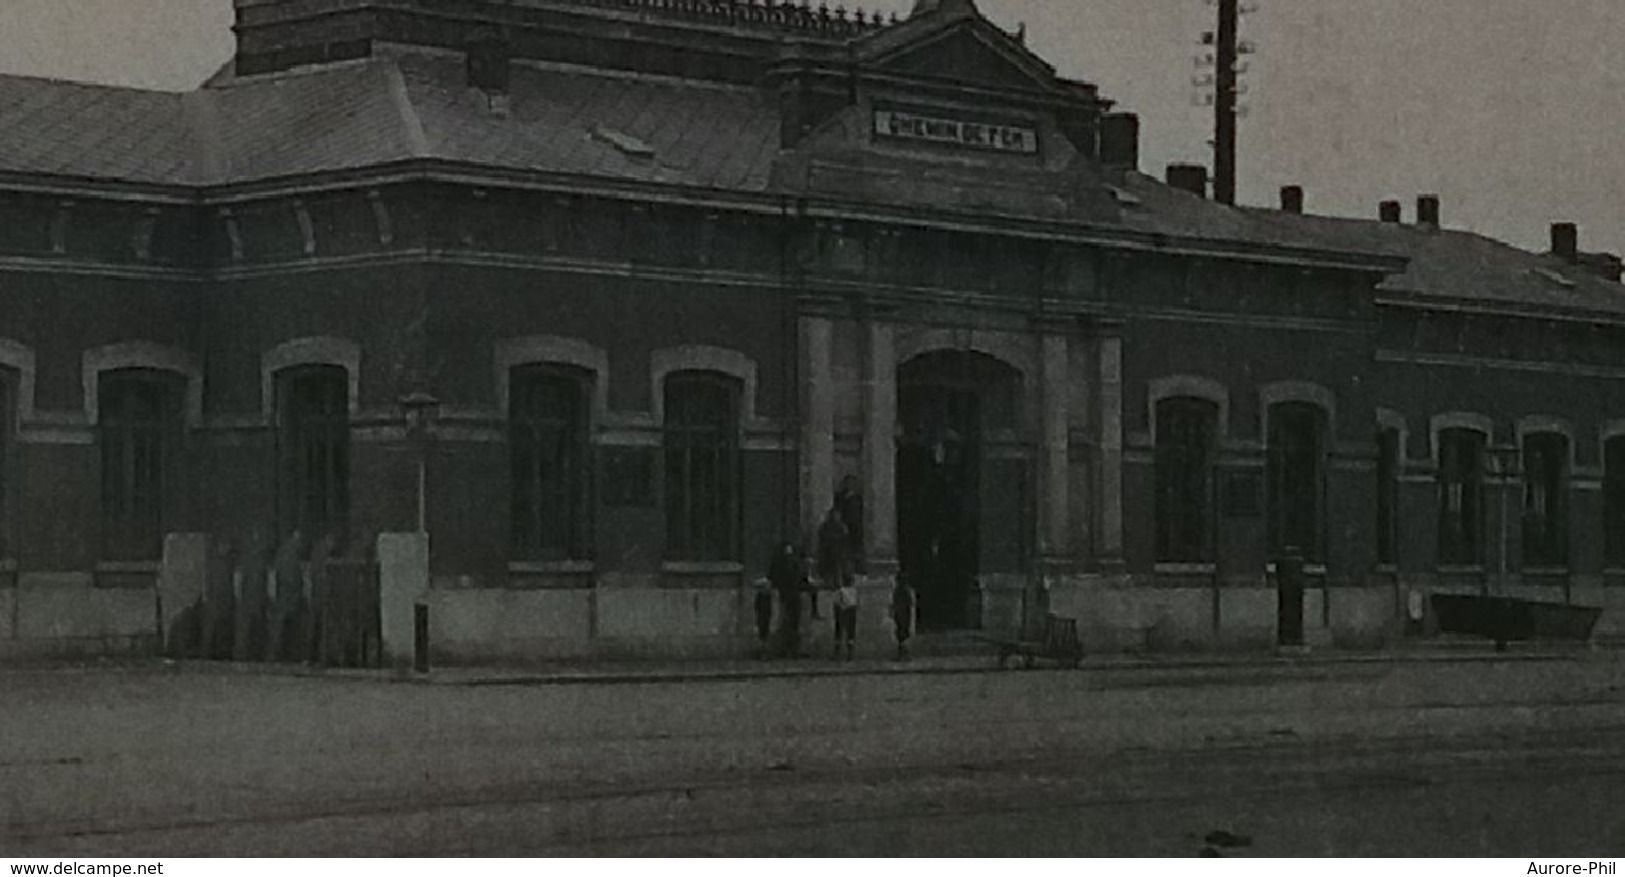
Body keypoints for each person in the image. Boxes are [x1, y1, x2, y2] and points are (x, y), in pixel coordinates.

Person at [769, 541, 806, 658]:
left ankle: (787, 649)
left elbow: (774, 577)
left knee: (786, 623)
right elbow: (802, 578)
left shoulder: (781, 562)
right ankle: (793, 650)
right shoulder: (796, 563)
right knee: (793, 624)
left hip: (786, 595)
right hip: (793, 595)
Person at [815, 506, 852, 622]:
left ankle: (836, 583)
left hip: (838, 554)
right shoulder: (826, 527)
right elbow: (821, 539)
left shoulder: (840, 527)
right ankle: (830, 582)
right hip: (829, 554)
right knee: (830, 570)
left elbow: (845, 540)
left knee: (837, 570)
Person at [832, 573, 859, 661]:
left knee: (839, 631)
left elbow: (836, 604)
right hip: (850, 611)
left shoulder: (839, 591)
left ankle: (838, 652)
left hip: (841, 611)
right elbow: (856, 604)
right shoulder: (853, 591)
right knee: (850, 632)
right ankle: (849, 653)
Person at [891, 573, 917, 662]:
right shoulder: (904, 590)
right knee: (902, 633)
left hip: (903, 613)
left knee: (902, 633)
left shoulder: (900, 591)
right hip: (903, 613)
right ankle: (903, 654)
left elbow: (907, 603)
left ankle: (904, 654)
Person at [752, 576, 774, 659]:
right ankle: (762, 653)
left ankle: (764, 652)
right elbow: (757, 608)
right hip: (762, 617)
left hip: (765, 617)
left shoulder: (767, 597)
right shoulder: (761, 597)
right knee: (762, 635)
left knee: (764, 635)